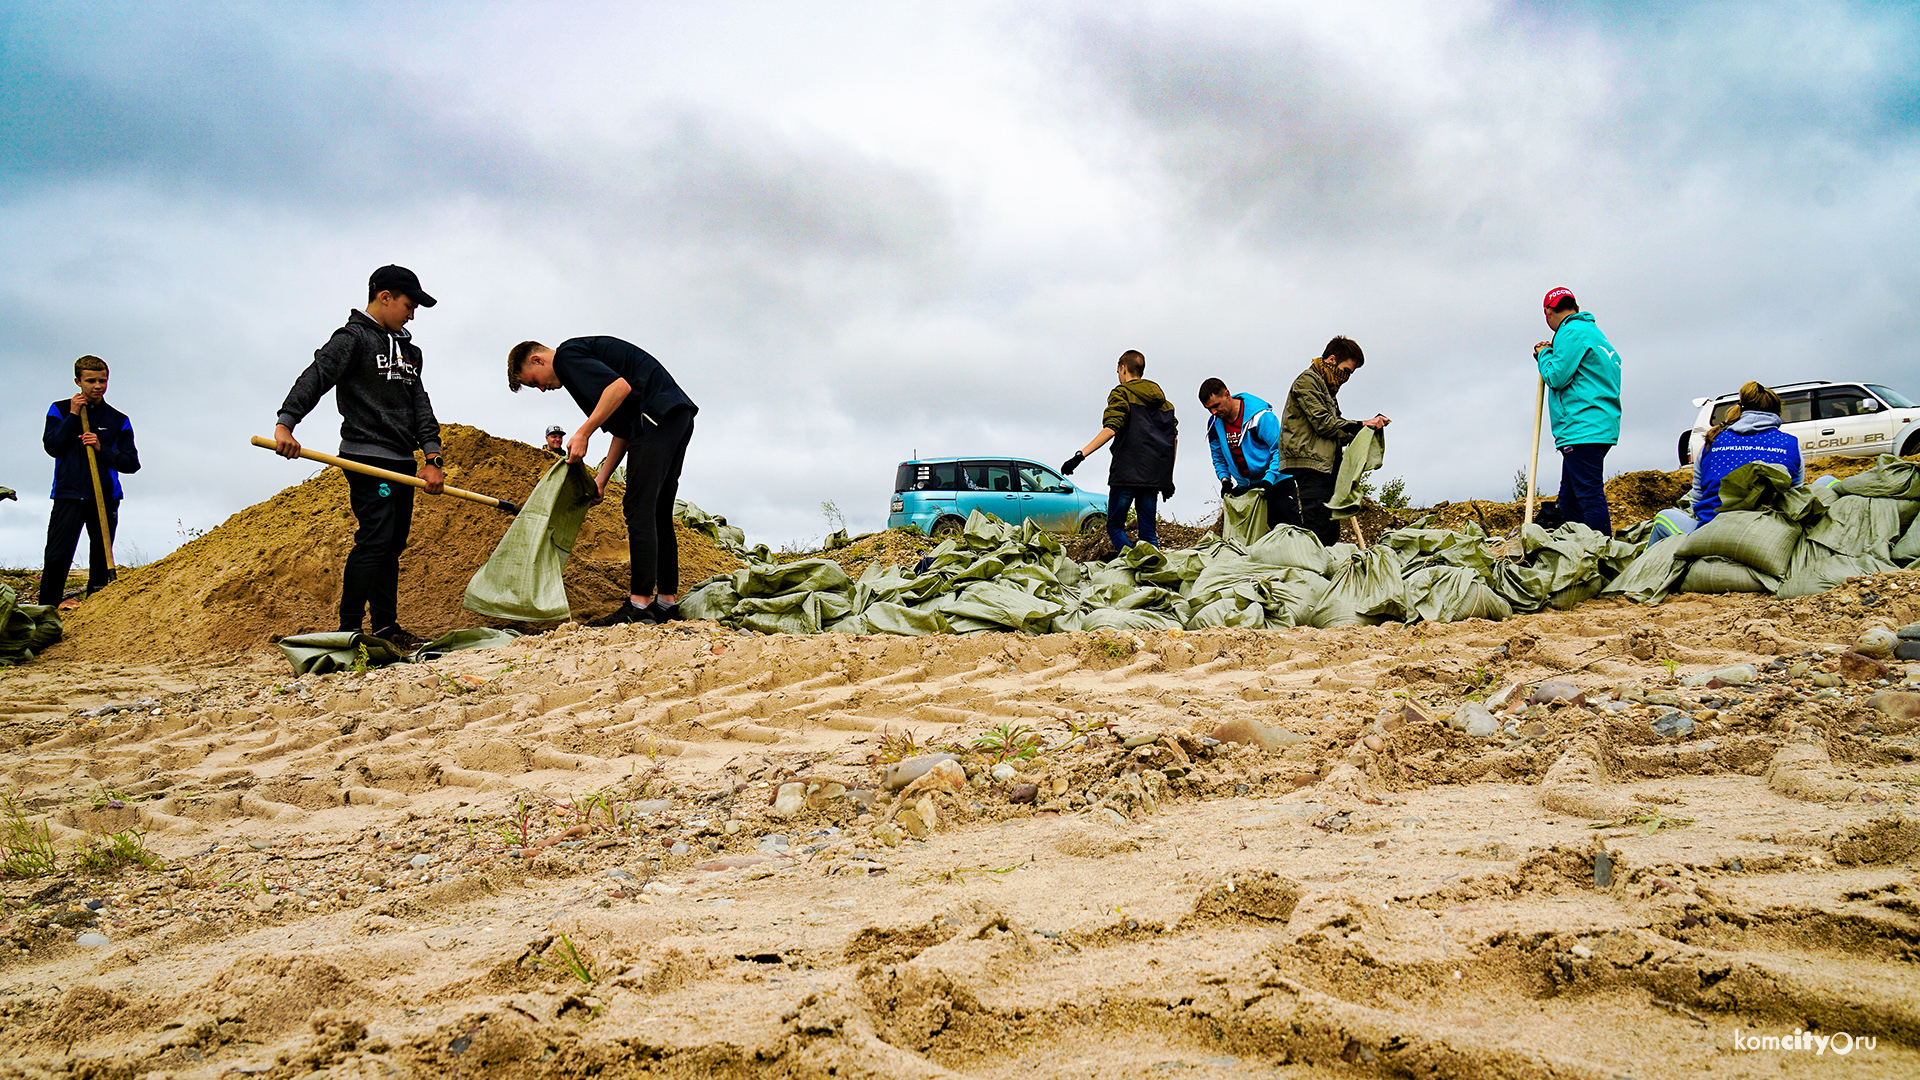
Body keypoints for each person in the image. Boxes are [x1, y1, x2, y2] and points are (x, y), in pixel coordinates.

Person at [273, 265, 446, 648]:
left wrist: (432, 455)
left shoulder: (410, 352)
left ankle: (386, 627)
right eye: (408, 304)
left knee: (393, 542)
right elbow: (315, 377)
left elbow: (420, 405)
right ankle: (349, 628)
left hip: (402, 461)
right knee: (377, 537)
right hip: (367, 458)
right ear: (384, 297)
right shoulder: (352, 339)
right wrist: (287, 424)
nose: (412, 314)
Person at [508, 337, 698, 626]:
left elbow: (619, 389)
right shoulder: (583, 361)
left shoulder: (567, 357)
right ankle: (666, 603)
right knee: (657, 510)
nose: (543, 389)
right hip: (672, 416)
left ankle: (639, 605)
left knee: (639, 507)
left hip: (657, 416)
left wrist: (583, 431)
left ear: (538, 360)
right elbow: (625, 428)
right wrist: (601, 479)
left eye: (535, 383)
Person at [39, 354, 140, 606]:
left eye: (102, 380)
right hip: (68, 494)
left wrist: (101, 448)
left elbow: (131, 463)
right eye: (91, 380)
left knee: (101, 556)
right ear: (78, 381)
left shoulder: (118, 420)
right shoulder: (60, 410)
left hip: (104, 496)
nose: (98, 386)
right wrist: (73, 416)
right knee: (57, 555)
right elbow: (52, 446)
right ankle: (48, 607)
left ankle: (97, 607)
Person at [1651, 381, 1802, 541]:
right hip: (1769, 534)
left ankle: (1644, 565)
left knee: (1664, 517)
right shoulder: (1791, 445)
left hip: (1712, 532)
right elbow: (1796, 495)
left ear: (1741, 409)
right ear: (1777, 413)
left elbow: (1697, 499)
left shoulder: (1713, 441)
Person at [1062, 350, 1177, 552]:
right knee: (1148, 533)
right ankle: (1152, 572)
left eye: (1118, 371)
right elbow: (1173, 439)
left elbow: (1112, 428)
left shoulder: (1121, 393)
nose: (1118, 375)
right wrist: (1167, 478)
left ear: (1123, 368)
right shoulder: (1165, 404)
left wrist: (1080, 455)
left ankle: (1131, 563)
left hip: (1127, 471)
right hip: (1153, 475)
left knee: (1115, 526)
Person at [1280, 336, 1388, 546]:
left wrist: (1362, 431)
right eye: (1347, 370)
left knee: (1330, 529)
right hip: (1309, 463)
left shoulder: (1326, 387)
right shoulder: (1307, 382)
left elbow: (1336, 428)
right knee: (1318, 526)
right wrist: (1362, 425)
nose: (1346, 377)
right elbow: (1325, 423)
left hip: (1324, 464)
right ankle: (1312, 571)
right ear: (1331, 359)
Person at [1532, 287, 1622, 536]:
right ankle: (1575, 549)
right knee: (1570, 500)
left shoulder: (1570, 332)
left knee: (1589, 496)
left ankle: (1602, 554)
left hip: (1582, 426)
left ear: (1548, 312)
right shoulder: (1591, 332)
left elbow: (1556, 376)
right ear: (1575, 306)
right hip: (1598, 424)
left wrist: (1544, 354)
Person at [1199, 378, 1300, 531]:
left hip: (1277, 482)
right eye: (1209, 409)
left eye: (1216, 406)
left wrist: (1269, 479)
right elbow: (1218, 457)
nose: (1213, 412)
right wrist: (1225, 480)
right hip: (1247, 486)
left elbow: (1280, 450)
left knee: (1289, 534)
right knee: (1249, 540)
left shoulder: (1260, 417)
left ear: (1227, 395)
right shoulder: (1214, 424)